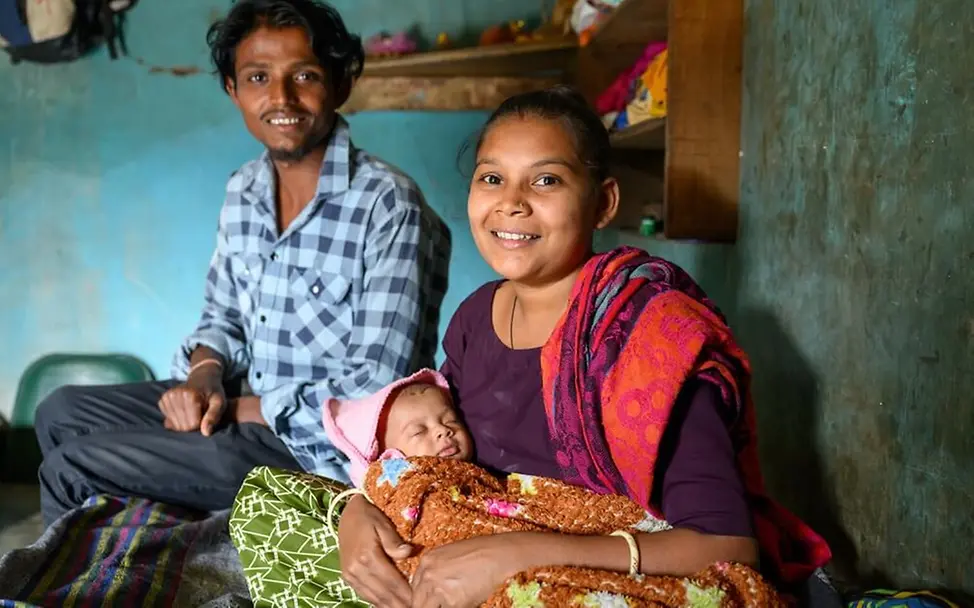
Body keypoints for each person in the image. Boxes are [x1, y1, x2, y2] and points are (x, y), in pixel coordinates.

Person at [229, 86, 836, 608]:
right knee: (269, 502)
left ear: (603, 202)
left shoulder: (647, 333)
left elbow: (726, 545)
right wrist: (363, 517)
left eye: (546, 179)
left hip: (602, 568)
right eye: (492, 177)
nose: (512, 202)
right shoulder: (473, 320)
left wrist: (511, 555)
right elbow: (436, 459)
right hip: (476, 539)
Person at [32, 0, 450, 527]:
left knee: (72, 467)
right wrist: (205, 377)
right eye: (258, 77)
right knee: (61, 413)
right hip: (237, 404)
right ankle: (138, 545)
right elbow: (222, 315)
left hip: (316, 450)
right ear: (233, 90)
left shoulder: (388, 205)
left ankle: (89, 583)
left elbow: (375, 389)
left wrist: (242, 410)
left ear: (341, 84)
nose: (281, 97)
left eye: (305, 75)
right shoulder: (244, 189)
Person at [231, 369, 788, 606]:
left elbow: (519, 511)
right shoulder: (405, 478)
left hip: (517, 562)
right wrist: (361, 503)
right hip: (416, 567)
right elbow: (422, 512)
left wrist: (510, 544)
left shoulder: (655, 355)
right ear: (389, 456)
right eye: (420, 432)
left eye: (448, 420)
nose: (444, 434)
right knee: (261, 497)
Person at [321, 368, 475, 487]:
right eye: (419, 432)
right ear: (388, 458)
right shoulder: (399, 493)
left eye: (451, 421)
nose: (443, 430)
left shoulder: (478, 473)